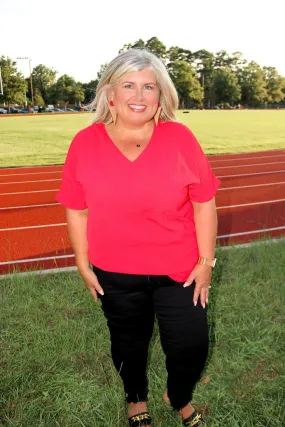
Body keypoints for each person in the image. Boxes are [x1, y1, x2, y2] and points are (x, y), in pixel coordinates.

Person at [56, 48, 220, 427]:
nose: (139, 96)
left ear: (161, 95)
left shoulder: (180, 138)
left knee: (191, 344)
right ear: (109, 93)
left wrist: (206, 262)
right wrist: (82, 262)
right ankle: (134, 398)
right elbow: (77, 209)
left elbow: (204, 203)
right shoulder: (85, 142)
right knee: (128, 343)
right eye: (128, 85)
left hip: (179, 270)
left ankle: (178, 394)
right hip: (115, 271)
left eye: (149, 87)